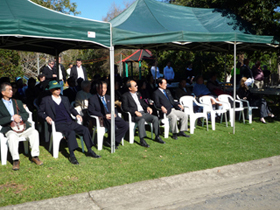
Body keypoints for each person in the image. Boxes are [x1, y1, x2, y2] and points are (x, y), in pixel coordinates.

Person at [38, 80, 100, 165]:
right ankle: (72, 155)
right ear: (51, 90)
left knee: (85, 129)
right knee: (70, 132)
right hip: (58, 123)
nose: (58, 90)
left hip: (69, 121)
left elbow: (71, 109)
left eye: (59, 88)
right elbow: (39, 112)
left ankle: (89, 150)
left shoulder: (64, 98)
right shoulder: (46, 100)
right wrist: (46, 117)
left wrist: (77, 115)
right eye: (56, 89)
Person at [0, 82, 43, 170]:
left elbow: (26, 114)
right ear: (3, 92)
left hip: (23, 127)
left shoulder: (17, 102)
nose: (12, 91)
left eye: (12, 89)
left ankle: (35, 156)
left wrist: (19, 117)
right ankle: (16, 160)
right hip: (9, 128)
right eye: (9, 90)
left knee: (34, 132)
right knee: (12, 136)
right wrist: (12, 118)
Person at [122, 80, 165, 147]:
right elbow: (125, 108)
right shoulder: (125, 96)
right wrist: (135, 111)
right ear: (130, 88)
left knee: (155, 118)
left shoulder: (138, 94)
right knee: (141, 120)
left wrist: (148, 107)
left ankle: (157, 136)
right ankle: (142, 139)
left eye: (137, 85)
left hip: (143, 113)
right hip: (135, 115)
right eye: (135, 86)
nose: (137, 86)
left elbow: (142, 103)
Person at [88, 81, 129, 149]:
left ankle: (114, 141)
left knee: (125, 125)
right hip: (102, 118)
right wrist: (104, 115)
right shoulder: (93, 99)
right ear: (97, 89)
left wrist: (115, 113)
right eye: (101, 88)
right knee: (114, 127)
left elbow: (113, 108)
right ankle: (111, 141)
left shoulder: (108, 97)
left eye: (104, 88)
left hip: (112, 116)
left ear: (106, 89)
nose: (103, 90)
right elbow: (91, 111)